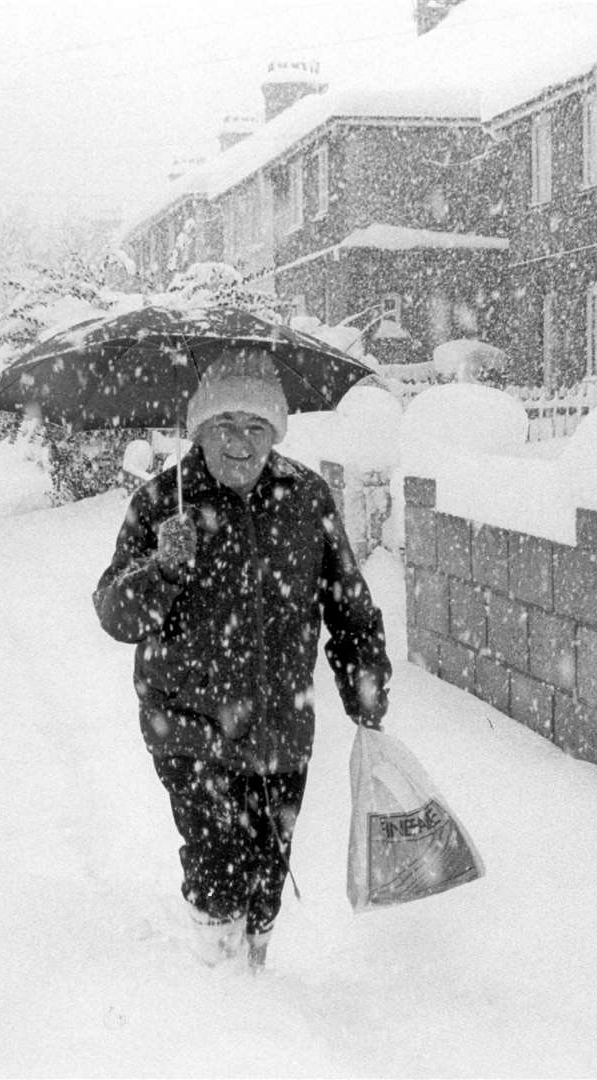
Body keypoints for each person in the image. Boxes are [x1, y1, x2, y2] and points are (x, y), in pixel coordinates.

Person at [93, 349, 391, 972]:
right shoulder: (162, 503)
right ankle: (219, 991)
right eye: (226, 424)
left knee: (266, 872)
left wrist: (364, 683)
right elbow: (116, 615)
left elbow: (348, 601)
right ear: (199, 430)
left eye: (257, 427)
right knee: (217, 861)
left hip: (282, 725)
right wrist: (162, 569)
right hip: (189, 723)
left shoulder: (305, 496)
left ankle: (250, 977)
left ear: (275, 434)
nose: (241, 442)